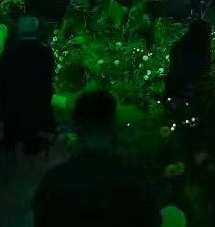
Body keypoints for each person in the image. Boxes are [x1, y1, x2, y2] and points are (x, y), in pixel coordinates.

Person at [33, 91, 160, 227]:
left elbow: (41, 219)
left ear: (77, 127)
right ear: (113, 126)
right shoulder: (134, 180)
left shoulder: (56, 180)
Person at [0, 17, 57, 155]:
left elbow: (0, 82)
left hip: (12, 111)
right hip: (38, 111)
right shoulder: (45, 53)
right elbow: (48, 82)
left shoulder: (9, 53)